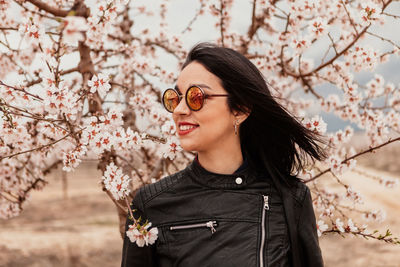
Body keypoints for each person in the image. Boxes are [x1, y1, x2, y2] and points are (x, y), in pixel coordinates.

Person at [121, 42, 327, 267]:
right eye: (176, 98)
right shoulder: (150, 206)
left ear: (239, 109)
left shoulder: (290, 200)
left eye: (196, 97)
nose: (180, 109)